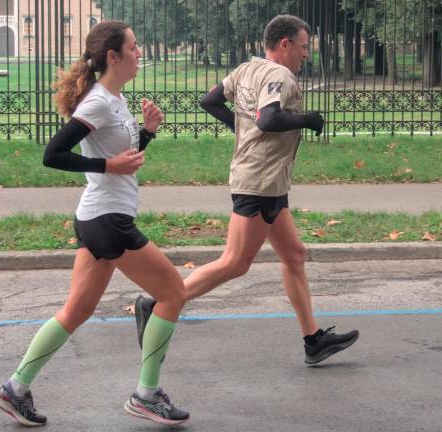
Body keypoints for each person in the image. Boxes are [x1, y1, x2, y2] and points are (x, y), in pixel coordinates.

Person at [0, 20, 189, 427]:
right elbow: (53, 153)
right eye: (133, 47)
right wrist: (106, 165)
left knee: (74, 312)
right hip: (108, 219)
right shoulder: (98, 101)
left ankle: (15, 388)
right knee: (172, 292)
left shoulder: (115, 99)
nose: (139, 53)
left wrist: (147, 134)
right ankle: (146, 394)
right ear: (113, 56)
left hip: (98, 216)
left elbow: (123, 158)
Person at [134, 14, 359, 366]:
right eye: (303, 47)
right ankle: (160, 301)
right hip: (259, 183)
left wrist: (243, 130)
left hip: (267, 181)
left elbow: (209, 101)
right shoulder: (279, 75)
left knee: (294, 256)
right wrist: (307, 120)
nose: (306, 55)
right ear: (284, 44)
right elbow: (269, 120)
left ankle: (313, 340)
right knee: (235, 263)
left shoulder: (245, 70)